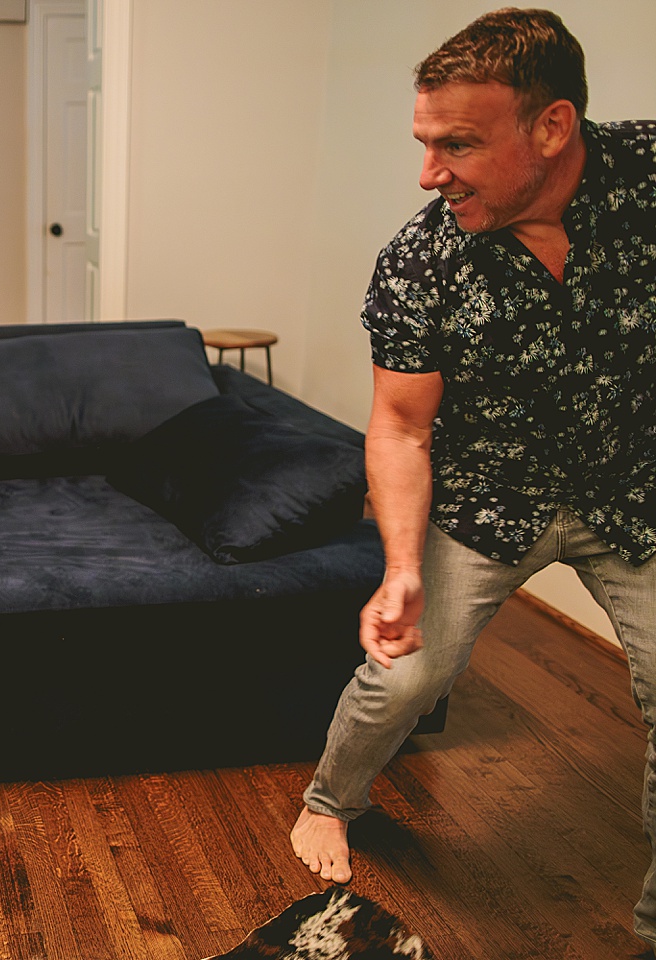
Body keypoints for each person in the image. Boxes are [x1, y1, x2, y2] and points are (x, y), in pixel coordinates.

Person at [288, 7, 656, 950]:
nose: (428, 172)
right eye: (424, 142)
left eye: (457, 144)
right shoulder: (420, 263)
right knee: (409, 674)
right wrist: (401, 566)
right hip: (487, 500)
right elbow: (403, 427)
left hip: (634, 492)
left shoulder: (649, 176)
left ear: (552, 127)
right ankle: (331, 797)